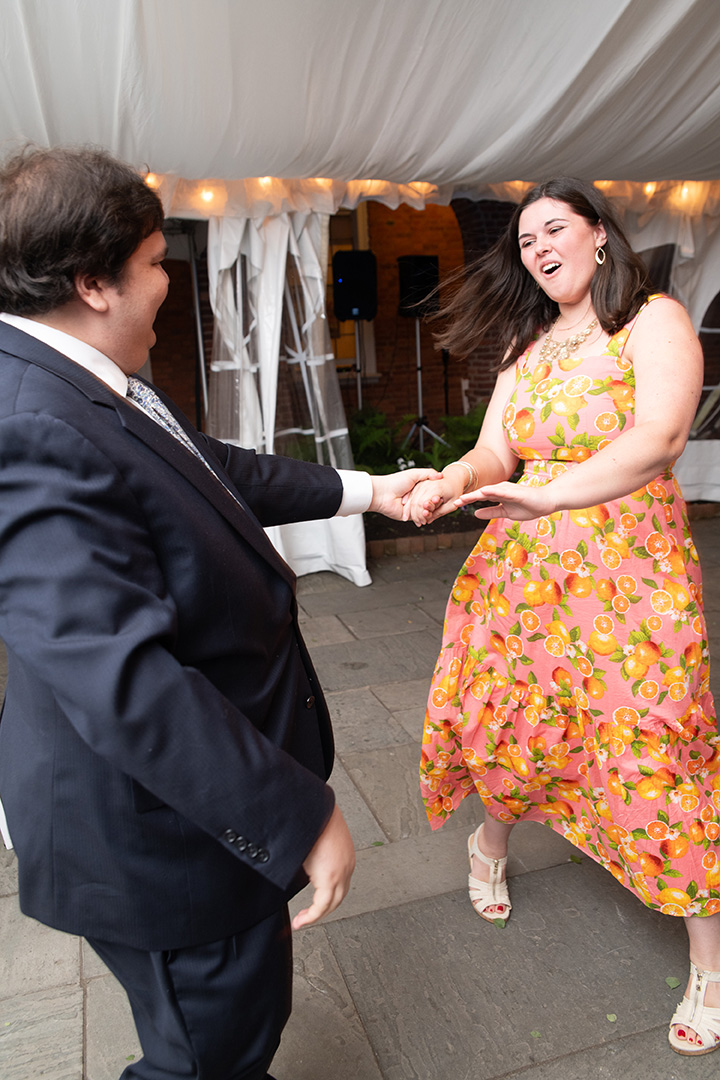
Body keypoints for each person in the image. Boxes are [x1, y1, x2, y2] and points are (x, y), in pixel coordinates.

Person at [0, 145, 439, 1080]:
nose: (170, 282)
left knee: (235, 1030)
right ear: (93, 283)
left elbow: (211, 470)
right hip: (156, 834)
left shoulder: (84, 370)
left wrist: (370, 491)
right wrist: (298, 816)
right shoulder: (31, 422)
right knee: (208, 1053)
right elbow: (125, 680)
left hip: (183, 804)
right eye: (156, 262)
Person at [404, 177, 720, 1056]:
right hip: (527, 575)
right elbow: (495, 449)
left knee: (659, 744)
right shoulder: (528, 341)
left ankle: (710, 963)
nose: (538, 248)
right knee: (517, 720)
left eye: (553, 229)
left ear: (599, 235)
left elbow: (660, 437)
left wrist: (550, 495)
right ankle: (489, 842)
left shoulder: (653, 321)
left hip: (631, 579)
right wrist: (451, 480)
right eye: (525, 240)